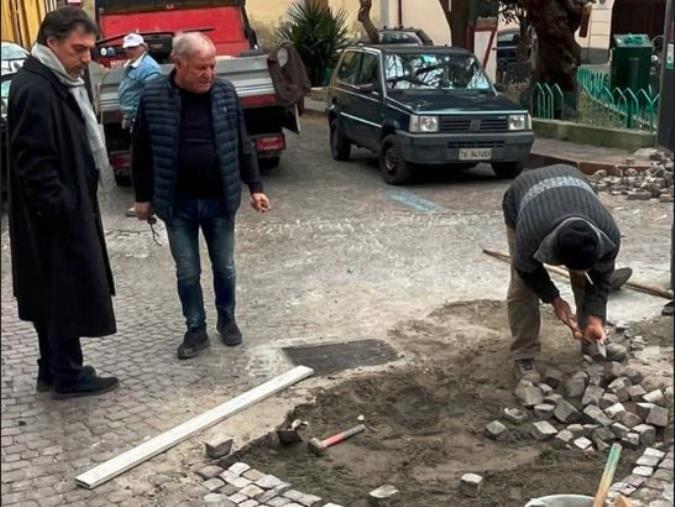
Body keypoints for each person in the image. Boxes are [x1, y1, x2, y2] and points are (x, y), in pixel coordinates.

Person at [132, 32, 270, 360]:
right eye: (201, 68)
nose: (209, 74)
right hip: (176, 203)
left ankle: (227, 319)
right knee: (187, 271)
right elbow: (140, 151)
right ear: (177, 64)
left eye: (212, 66)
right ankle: (195, 329)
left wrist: (256, 187)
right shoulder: (152, 97)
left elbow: (242, 142)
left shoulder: (225, 92)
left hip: (219, 200)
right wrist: (143, 197)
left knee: (224, 266)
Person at [8, 7, 119, 399]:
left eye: (89, 49)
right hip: (54, 220)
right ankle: (69, 376)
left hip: (53, 216)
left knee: (49, 294)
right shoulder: (38, 88)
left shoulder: (49, 79)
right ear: (51, 43)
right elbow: (33, 161)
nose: (86, 58)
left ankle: (50, 369)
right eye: (79, 49)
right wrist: (61, 208)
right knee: (62, 292)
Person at [502, 164, 627, 381]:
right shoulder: (530, 235)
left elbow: (602, 280)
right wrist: (555, 299)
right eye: (574, 269)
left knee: (588, 282)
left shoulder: (610, 235)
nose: (580, 273)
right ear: (556, 256)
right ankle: (524, 353)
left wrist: (595, 317)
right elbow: (527, 269)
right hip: (523, 197)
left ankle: (592, 339)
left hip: (575, 187)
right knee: (522, 287)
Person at [118, 33, 162, 217]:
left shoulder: (149, 68)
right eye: (127, 48)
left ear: (143, 47)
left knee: (143, 161)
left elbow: (152, 97)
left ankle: (148, 201)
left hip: (143, 121)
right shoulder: (134, 65)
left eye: (133, 47)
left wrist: (137, 116)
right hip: (135, 118)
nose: (130, 51)